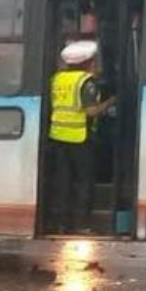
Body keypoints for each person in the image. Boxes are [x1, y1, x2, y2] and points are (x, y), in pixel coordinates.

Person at [47, 40, 116, 234]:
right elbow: (91, 111)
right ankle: (81, 224)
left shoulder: (57, 79)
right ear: (87, 62)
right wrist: (110, 102)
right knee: (85, 182)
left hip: (58, 135)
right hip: (80, 137)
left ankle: (61, 223)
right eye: (93, 61)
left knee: (63, 182)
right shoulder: (86, 82)